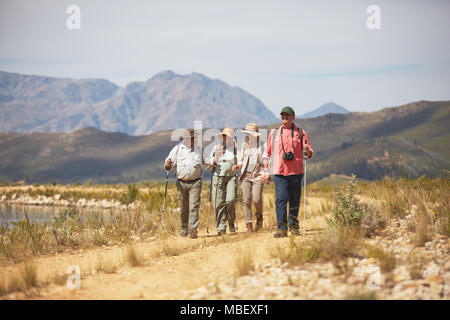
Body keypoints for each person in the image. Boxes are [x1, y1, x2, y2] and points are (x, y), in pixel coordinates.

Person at [261, 106, 314, 237]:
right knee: (281, 199)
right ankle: (282, 229)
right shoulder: (274, 133)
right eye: (283, 115)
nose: (284, 117)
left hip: (296, 172)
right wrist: (265, 171)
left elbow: (310, 153)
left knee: (295, 200)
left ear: (293, 117)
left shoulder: (300, 133)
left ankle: (294, 227)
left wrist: (307, 150)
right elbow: (266, 154)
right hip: (280, 172)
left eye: (287, 115)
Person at [164, 128, 203, 239]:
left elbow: (205, 161)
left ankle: (193, 230)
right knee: (183, 208)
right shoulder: (177, 149)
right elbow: (168, 163)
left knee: (194, 207)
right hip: (181, 183)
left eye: (194, 138)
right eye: (191, 138)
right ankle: (184, 229)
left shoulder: (198, 149)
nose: (193, 140)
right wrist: (168, 165)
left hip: (195, 182)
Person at [205, 128, 239, 235]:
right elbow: (207, 160)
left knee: (231, 200)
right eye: (224, 136)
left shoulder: (235, 147)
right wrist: (214, 159)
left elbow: (240, 160)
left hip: (231, 176)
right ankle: (221, 227)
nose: (225, 138)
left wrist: (236, 166)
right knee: (218, 202)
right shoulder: (216, 147)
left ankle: (231, 220)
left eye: (227, 136)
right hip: (218, 176)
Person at [233, 123, 265, 233]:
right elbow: (241, 160)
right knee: (246, 201)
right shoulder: (244, 145)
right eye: (247, 134)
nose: (248, 136)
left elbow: (265, 161)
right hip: (245, 175)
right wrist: (238, 166)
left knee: (256, 199)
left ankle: (259, 215)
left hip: (257, 176)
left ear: (255, 135)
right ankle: (249, 226)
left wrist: (265, 174)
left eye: (250, 134)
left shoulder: (261, 146)